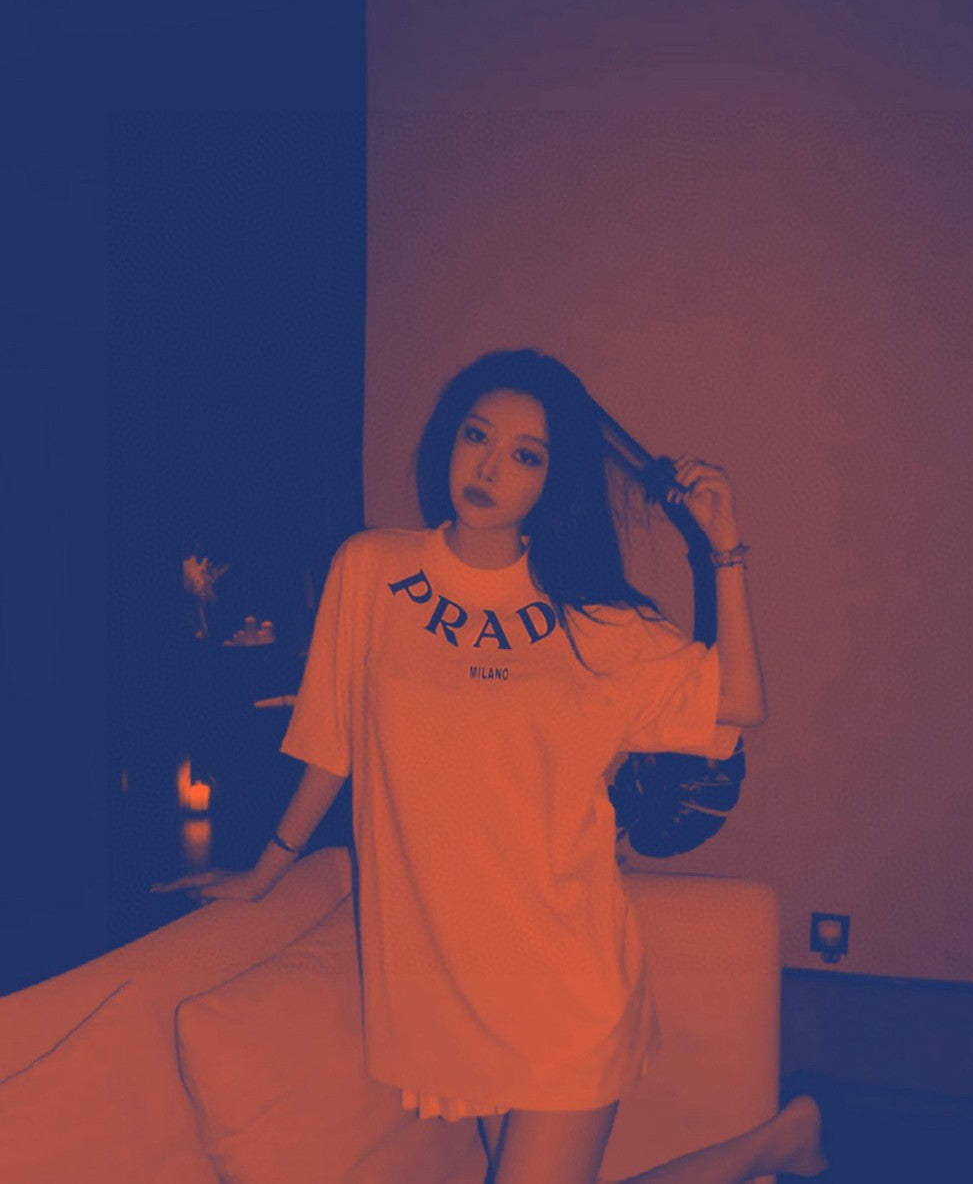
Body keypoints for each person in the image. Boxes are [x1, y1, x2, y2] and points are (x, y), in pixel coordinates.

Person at [155, 349, 829, 1184]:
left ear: (553, 479)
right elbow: (335, 741)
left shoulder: (591, 620)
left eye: (525, 455)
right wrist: (264, 873)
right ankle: (776, 1144)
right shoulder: (371, 569)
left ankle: (772, 1146)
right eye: (477, 437)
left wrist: (723, 549)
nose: (488, 468)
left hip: (567, 978)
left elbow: (739, 700)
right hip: (449, 988)